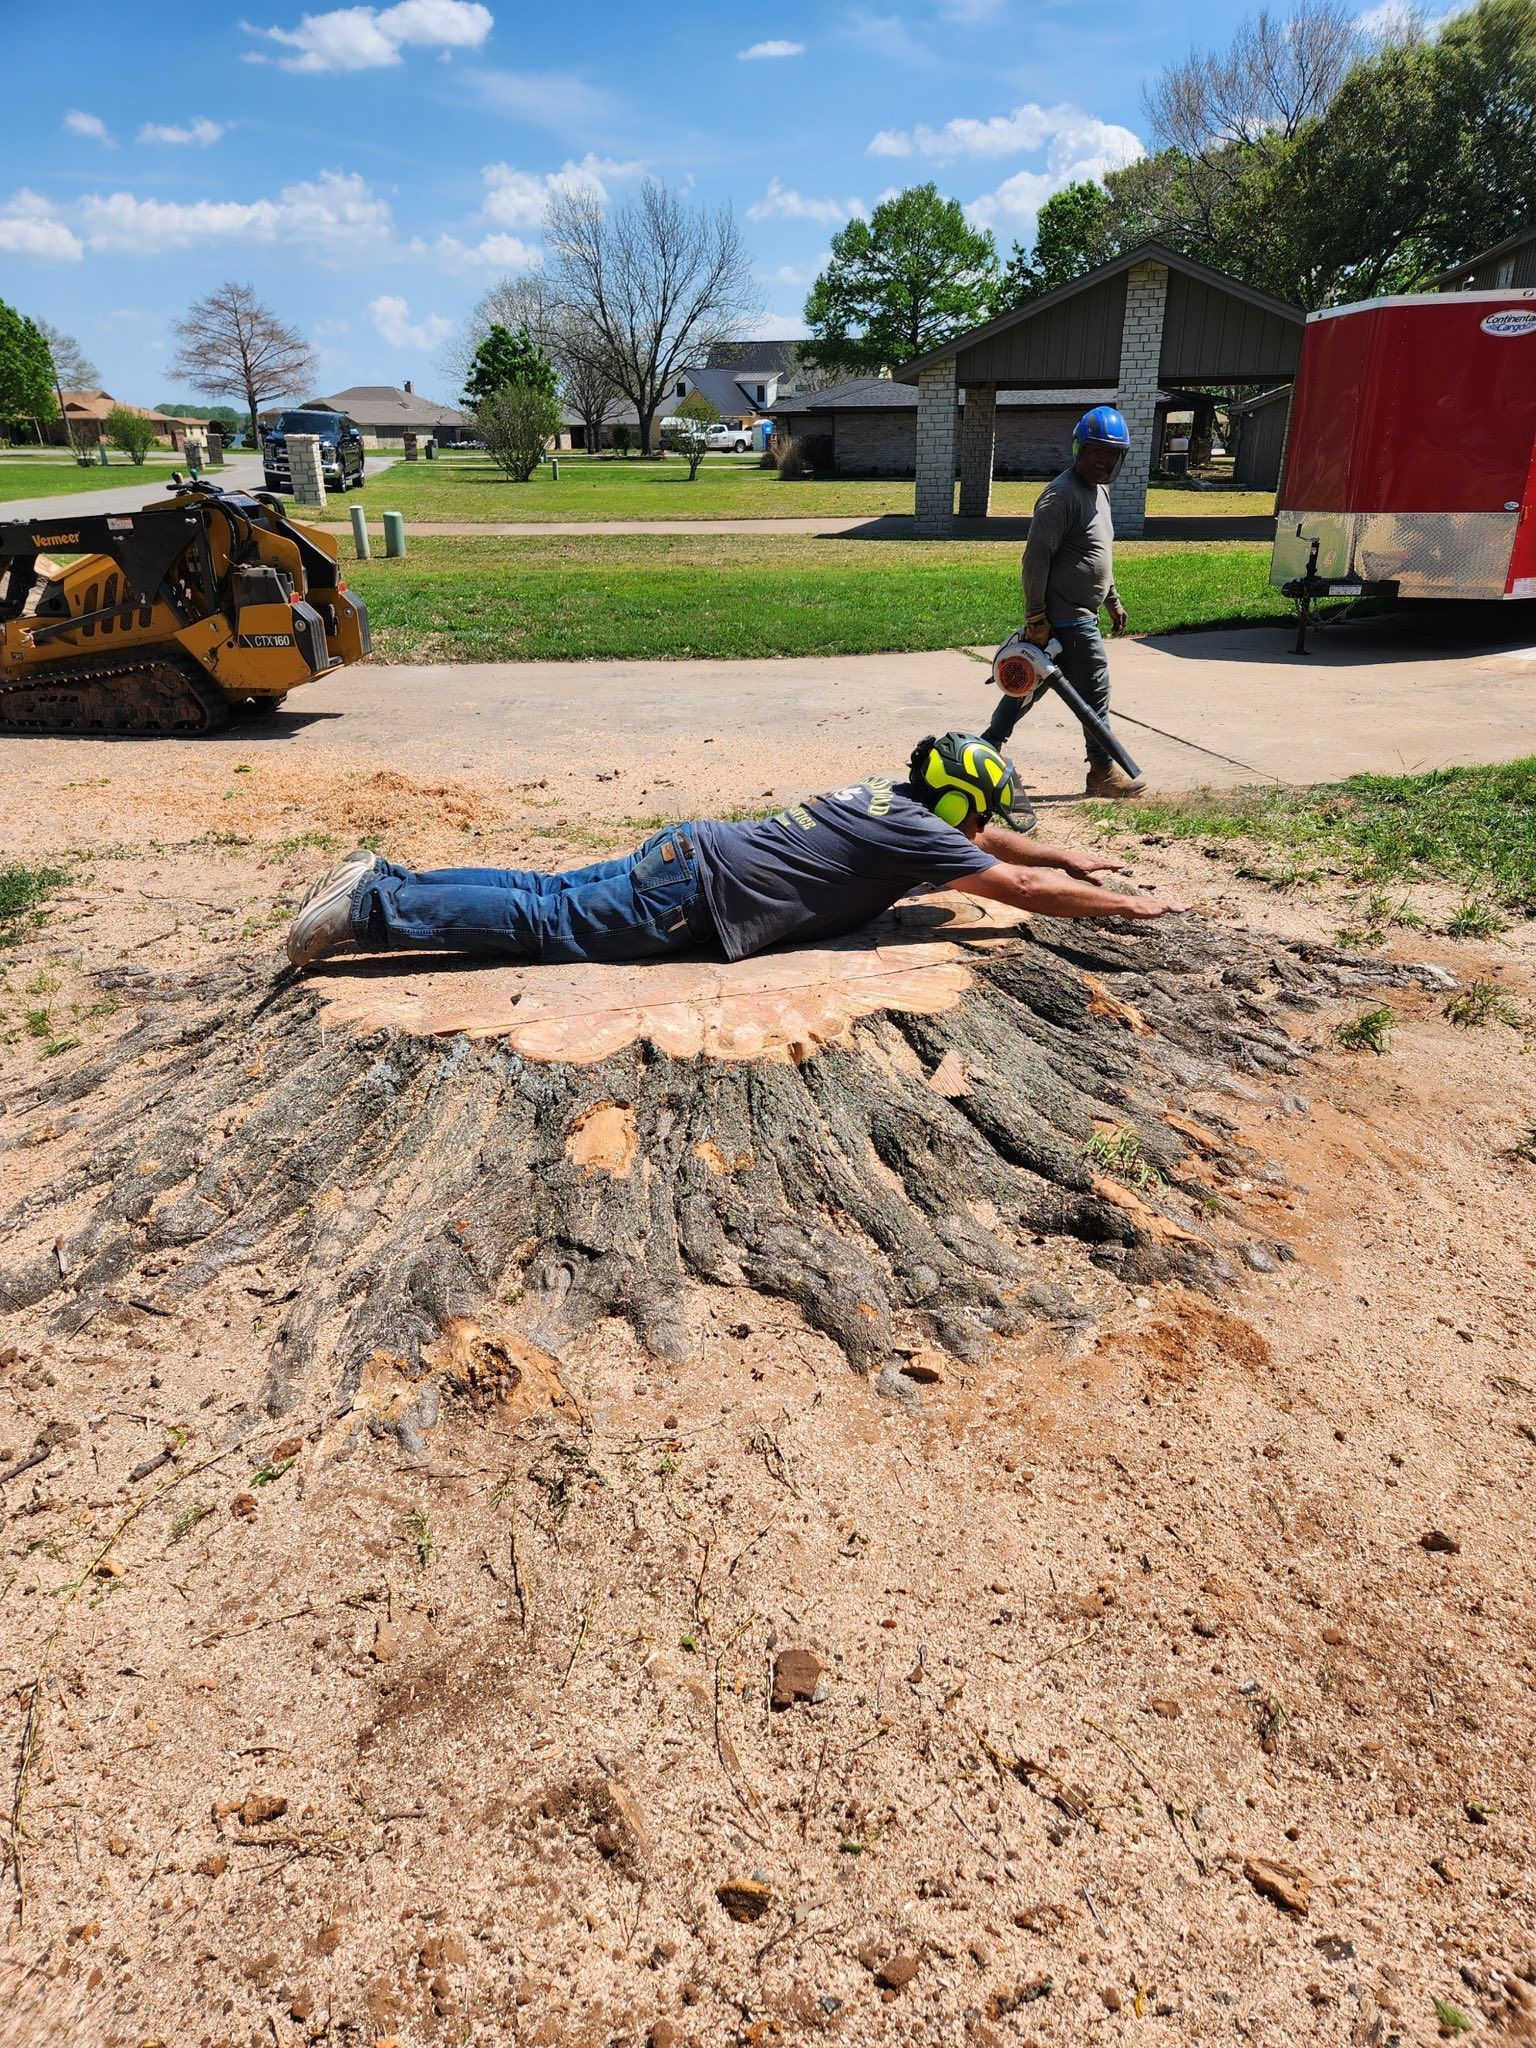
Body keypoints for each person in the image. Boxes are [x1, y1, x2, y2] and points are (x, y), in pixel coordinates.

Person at [285, 732, 1189, 972]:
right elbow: (1015, 886)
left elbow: (1000, 842)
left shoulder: (901, 794)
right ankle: (371, 911)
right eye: (978, 813)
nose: (982, 828)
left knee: (542, 887)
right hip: (694, 895)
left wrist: (1073, 857)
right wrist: (1131, 907)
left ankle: (385, 877)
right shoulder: (926, 832)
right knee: (540, 920)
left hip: (693, 852)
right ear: (954, 807)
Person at [983, 405, 1146, 800]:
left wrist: (1112, 599)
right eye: (1096, 451)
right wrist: (1036, 616)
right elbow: (1035, 558)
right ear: (1078, 449)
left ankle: (983, 754)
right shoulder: (1061, 495)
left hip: (1079, 613)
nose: (1103, 460)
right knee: (1094, 691)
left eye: (1112, 453)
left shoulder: (1098, 492)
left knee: (1026, 685)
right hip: (1066, 618)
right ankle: (1103, 773)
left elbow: (1096, 552)